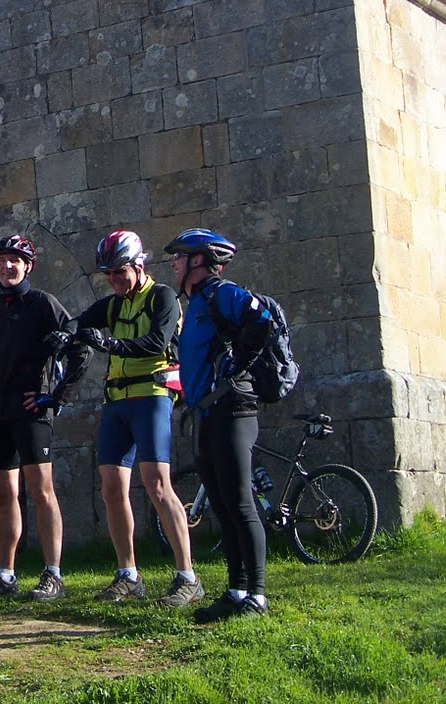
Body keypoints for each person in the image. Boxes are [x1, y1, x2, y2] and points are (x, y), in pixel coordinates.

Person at [0, 234, 89, 602]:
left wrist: (56, 397)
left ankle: (53, 574)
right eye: (1, 261)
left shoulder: (44, 304)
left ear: (28, 266)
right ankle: (4, 575)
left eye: (15, 260)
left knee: (41, 491)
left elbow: (79, 347)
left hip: (31, 411)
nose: (7, 267)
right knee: (2, 494)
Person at [70, 229, 203, 607]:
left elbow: (157, 343)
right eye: (107, 274)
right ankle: (128, 574)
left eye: (118, 272)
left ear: (138, 265)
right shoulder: (114, 303)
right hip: (117, 401)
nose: (112, 280)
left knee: (157, 485)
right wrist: (62, 337)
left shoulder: (162, 297)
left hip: (151, 396)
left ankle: (187, 576)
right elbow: (80, 322)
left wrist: (109, 343)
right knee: (111, 488)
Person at [168, 227, 273, 621]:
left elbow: (260, 319)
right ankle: (236, 590)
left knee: (241, 503)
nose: (173, 264)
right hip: (206, 413)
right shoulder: (194, 304)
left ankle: (257, 596)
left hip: (234, 410)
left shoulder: (220, 292)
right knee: (224, 507)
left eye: (178, 256)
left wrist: (239, 363)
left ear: (197, 260)